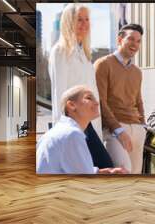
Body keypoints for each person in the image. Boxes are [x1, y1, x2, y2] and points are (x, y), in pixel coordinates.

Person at [48, 4, 113, 169]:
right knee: (104, 165)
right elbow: (59, 94)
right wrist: (60, 131)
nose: (84, 24)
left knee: (94, 169)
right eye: (79, 20)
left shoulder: (84, 53)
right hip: (74, 123)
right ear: (69, 22)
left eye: (87, 19)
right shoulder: (60, 52)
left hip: (88, 122)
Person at [36, 86, 127, 174]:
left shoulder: (63, 131)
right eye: (89, 98)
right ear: (71, 105)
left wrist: (103, 172)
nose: (97, 103)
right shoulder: (71, 134)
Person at [94, 24, 146, 174]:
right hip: (114, 130)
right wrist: (118, 130)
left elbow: (139, 101)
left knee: (136, 176)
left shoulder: (137, 72)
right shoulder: (103, 64)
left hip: (137, 129)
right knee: (123, 172)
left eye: (138, 41)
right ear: (119, 39)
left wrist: (143, 126)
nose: (135, 44)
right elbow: (101, 102)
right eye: (131, 39)